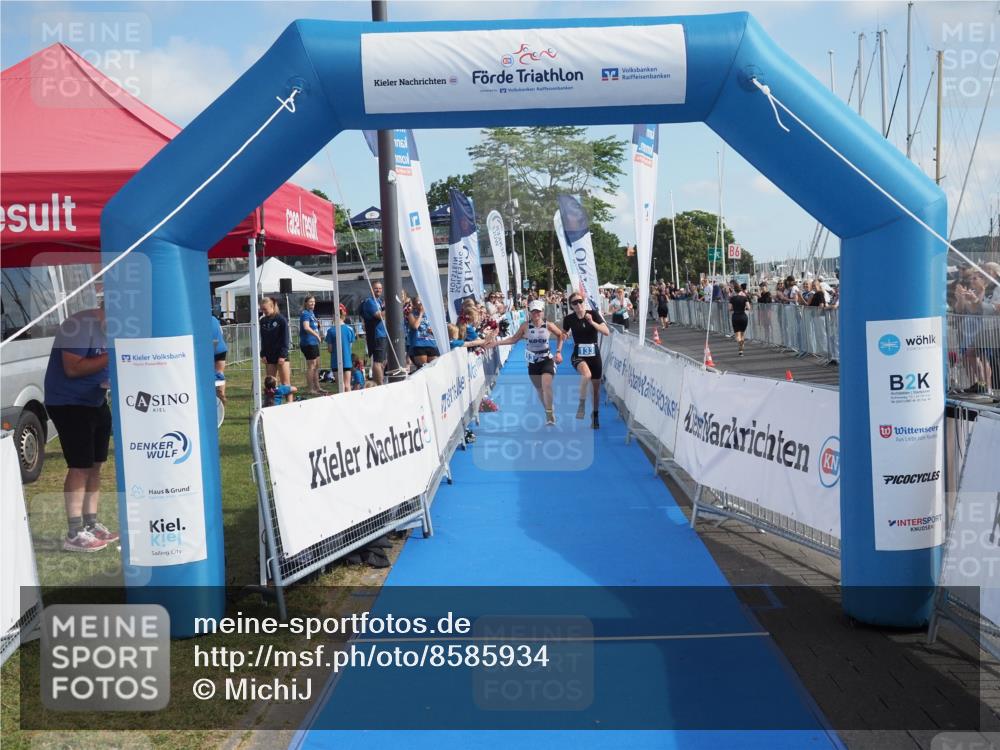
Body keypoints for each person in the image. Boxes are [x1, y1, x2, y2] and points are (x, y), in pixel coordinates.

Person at [43, 307, 119, 552]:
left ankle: (91, 523)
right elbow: (72, 368)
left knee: (96, 464)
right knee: (80, 467)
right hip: (68, 403)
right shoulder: (77, 325)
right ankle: (74, 533)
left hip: (95, 399)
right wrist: (114, 354)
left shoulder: (112, 327)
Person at [489, 300, 564, 425]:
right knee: (540, 391)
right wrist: (496, 343)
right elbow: (514, 339)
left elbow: (560, 335)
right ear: (530, 312)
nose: (536, 314)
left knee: (546, 385)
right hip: (532, 363)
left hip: (547, 359)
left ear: (542, 312)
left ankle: (550, 413)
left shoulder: (548, 325)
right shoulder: (525, 326)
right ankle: (548, 410)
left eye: (538, 311)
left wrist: (558, 352)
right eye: (533, 311)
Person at [562, 293, 610, 429]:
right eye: (574, 303)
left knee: (596, 390)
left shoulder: (593, 314)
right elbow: (563, 333)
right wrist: (564, 336)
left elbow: (606, 332)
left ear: (584, 302)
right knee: (586, 375)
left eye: (580, 301)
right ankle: (582, 403)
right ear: (571, 306)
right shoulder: (569, 319)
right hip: (578, 355)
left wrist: (592, 322)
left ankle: (595, 415)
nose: (578, 304)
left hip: (594, 355)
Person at [260, 297, 293, 403]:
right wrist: (263, 354)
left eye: (265, 309)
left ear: (272, 306)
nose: (263, 312)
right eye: (262, 309)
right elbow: (263, 339)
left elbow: (285, 338)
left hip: (281, 355)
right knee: (270, 383)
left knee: (285, 383)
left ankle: (290, 405)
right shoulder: (263, 321)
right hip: (269, 356)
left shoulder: (281, 320)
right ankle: (271, 404)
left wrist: (283, 355)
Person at [360, 282, 388, 385]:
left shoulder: (379, 301)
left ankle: (379, 382)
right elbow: (379, 315)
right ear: (371, 289)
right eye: (376, 288)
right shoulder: (370, 302)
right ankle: (380, 384)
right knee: (378, 361)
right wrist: (389, 307)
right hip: (376, 335)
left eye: (380, 288)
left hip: (383, 334)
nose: (378, 290)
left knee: (382, 362)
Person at [325, 304, 356, 393]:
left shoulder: (330, 331)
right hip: (347, 361)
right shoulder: (350, 329)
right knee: (347, 385)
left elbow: (330, 349)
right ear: (344, 314)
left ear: (333, 315)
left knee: (340, 385)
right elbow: (350, 345)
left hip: (335, 361)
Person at [299, 296, 325, 395]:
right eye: (310, 302)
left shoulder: (311, 313)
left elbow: (313, 326)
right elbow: (306, 327)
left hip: (314, 342)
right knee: (311, 366)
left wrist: (318, 327)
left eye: (314, 302)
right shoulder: (305, 313)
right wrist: (317, 335)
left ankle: (317, 387)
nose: (313, 304)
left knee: (317, 365)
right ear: (306, 303)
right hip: (308, 343)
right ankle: (310, 389)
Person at [406, 296, 439, 370]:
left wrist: (433, 331)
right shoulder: (411, 314)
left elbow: (437, 329)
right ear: (414, 305)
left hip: (431, 343)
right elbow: (415, 326)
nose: (421, 304)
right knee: (423, 368)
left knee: (434, 368)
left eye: (422, 301)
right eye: (419, 302)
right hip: (419, 344)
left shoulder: (431, 314)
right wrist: (421, 313)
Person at [210, 311, 228, 405]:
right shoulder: (215, 320)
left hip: (210, 348)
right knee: (220, 373)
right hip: (221, 348)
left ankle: (213, 396)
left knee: (210, 373)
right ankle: (221, 397)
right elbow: (221, 332)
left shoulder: (200, 321)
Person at [729, 283, 751, 356]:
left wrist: (734, 308)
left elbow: (729, 308)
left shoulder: (732, 298)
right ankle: (741, 350)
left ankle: (740, 343)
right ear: (740, 290)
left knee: (737, 335)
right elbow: (749, 307)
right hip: (743, 317)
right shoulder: (744, 298)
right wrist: (744, 307)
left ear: (734, 291)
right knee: (742, 334)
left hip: (735, 316)